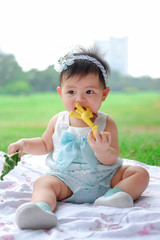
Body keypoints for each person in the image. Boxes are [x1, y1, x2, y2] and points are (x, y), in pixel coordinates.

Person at [8, 46, 149, 230]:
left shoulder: (106, 123)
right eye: (71, 92)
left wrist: (102, 150)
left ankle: (115, 196)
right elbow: (44, 144)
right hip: (66, 180)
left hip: (105, 179)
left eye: (89, 92)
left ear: (104, 94)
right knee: (44, 183)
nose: (79, 100)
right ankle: (40, 209)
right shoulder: (59, 121)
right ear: (61, 93)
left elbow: (112, 159)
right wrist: (24, 144)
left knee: (139, 174)